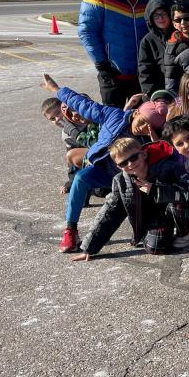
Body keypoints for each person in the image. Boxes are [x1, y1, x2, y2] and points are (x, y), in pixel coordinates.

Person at [40, 73, 168, 253]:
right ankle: (70, 229)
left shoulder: (150, 137)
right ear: (137, 113)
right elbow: (84, 105)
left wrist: (154, 141)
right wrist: (55, 89)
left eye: (150, 126)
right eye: (143, 121)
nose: (144, 128)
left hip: (131, 179)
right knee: (81, 178)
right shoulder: (113, 115)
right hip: (105, 171)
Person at [70, 138, 189, 261]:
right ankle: (160, 232)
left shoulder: (168, 166)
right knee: (155, 247)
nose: (130, 164)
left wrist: (156, 190)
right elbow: (110, 213)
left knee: (178, 201)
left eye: (134, 158)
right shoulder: (121, 181)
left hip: (178, 209)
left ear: (143, 155)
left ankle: (185, 231)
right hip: (155, 217)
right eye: (123, 163)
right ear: (119, 167)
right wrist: (89, 248)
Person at [77, 0, 150, 107]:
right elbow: (87, 32)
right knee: (113, 121)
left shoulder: (146, 0)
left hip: (140, 75)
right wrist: (102, 64)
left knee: (140, 123)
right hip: (112, 74)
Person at [42, 97, 100, 195]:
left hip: (108, 155)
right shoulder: (66, 135)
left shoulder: (85, 118)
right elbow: (72, 163)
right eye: (52, 119)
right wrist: (71, 184)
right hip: (92, 162)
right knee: (99, 190)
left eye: (57, 113)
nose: (57, 119)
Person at [137, 0, 174, 97]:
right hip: (160, 91)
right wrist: (150, 95)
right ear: (150, 18)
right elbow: (145, 70)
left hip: (184, 89)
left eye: (163, 14)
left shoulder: (180, 35)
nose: (160, 18)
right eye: (156, 15)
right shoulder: (148, 40)